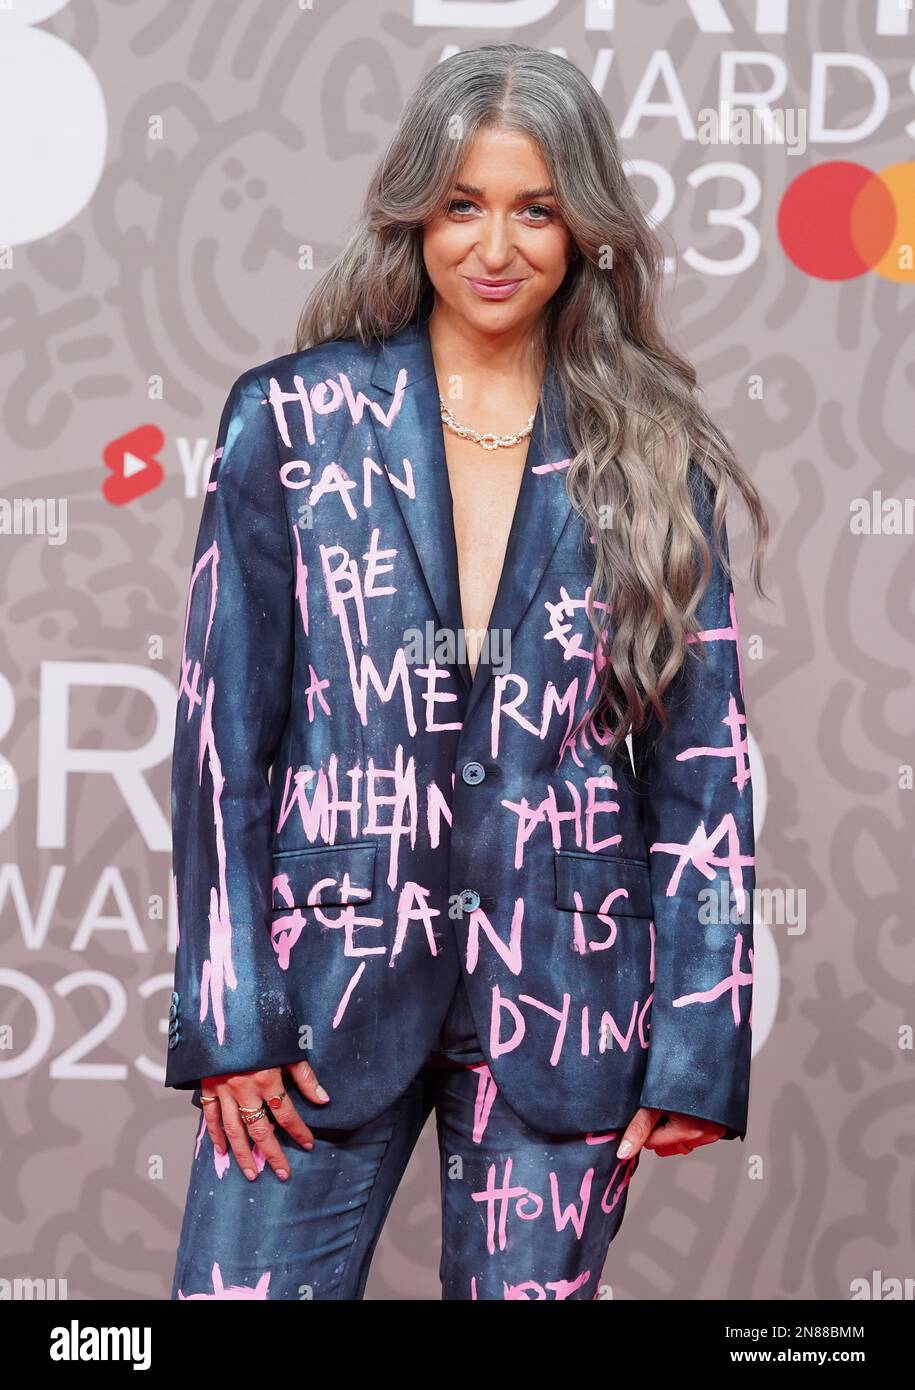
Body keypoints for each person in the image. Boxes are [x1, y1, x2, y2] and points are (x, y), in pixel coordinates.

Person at [166, 43, 768, 1302]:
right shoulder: (292, 421)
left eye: (536, 208)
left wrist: (698, 1041)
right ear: (414, 213)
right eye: (463, 204)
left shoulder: (652, 454)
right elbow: (227, 740)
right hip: (321, 1001)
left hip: (569, 1003)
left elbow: (705, 782)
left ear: (587, 229)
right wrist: (229, 1016)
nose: (496, 247)